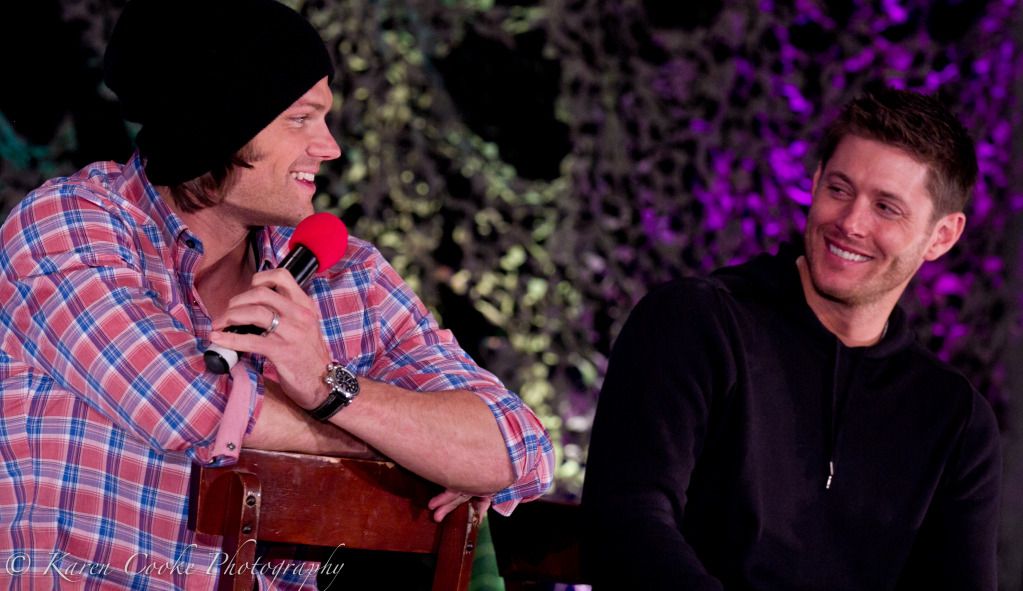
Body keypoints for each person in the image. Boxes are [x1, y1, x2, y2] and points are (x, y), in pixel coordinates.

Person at [0, 0, 554, 588]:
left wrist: (328, 388)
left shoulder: (347, 275)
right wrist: (405, 450)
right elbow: (190, 406)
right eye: (301, 119)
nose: (329, 147)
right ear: (220, 122)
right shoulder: (67, 226)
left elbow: (518, 448)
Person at [581, 88, 1000, 590]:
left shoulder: (956, 419)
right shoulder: (694, 323)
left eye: (886, 207)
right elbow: (625, 527)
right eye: (839, 189)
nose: (850, 223)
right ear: (816, 181)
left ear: (942, 235)